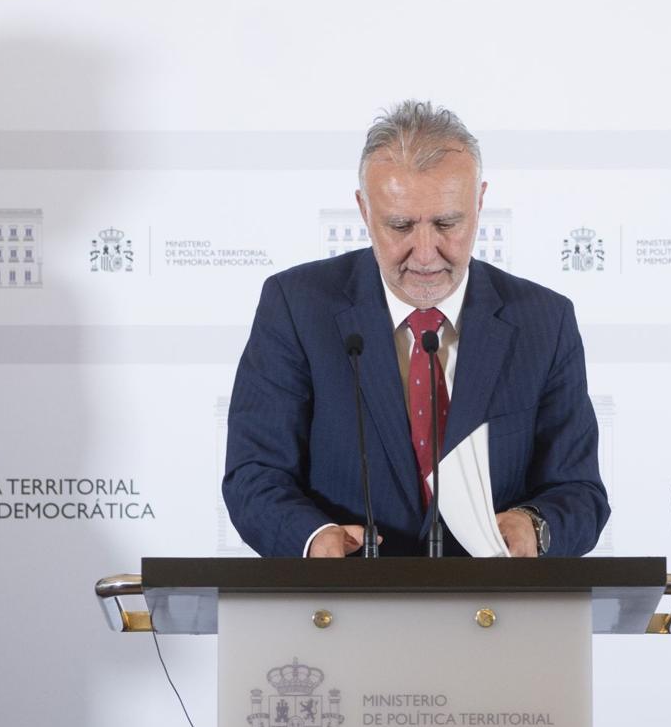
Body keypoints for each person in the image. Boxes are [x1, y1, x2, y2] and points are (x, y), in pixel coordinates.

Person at [222, 100, 608, 559]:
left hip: (497, 613)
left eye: (447, 223)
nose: (425, 254)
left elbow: (580, 491)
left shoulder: (545, 320)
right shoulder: (296, 306)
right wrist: (312, 538)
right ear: (364, 210)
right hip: (341, 609)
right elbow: (254, 474)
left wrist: (536, 527)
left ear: (479, 202)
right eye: (400, 226)